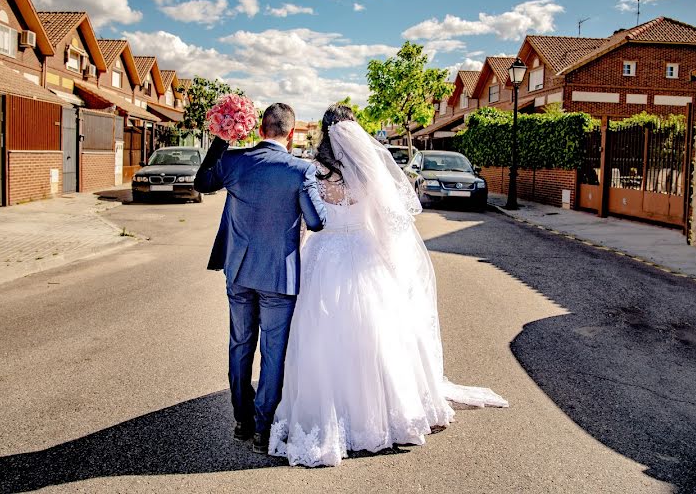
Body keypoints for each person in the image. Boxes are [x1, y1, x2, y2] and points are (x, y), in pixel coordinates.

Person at [268, 104, 508, 467]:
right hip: (363, 253)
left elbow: (305, 221)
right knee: (375, 332)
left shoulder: (311, 171)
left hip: (323, 254)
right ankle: (378, 412)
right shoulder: (367, 172)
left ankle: (328, 409)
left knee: (321, 332)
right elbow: (388, 222)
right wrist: (392, 262)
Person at [194, 102, 327, 454]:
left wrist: (221, 140)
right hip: (278, 279)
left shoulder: (235, 161)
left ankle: (242, 420)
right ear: (291, 134)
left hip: (238, 272)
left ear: (259, 129)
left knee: (240, 344)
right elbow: (316, 221)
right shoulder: (300, 170)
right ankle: (263, 429)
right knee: (272, 352)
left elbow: (202, 182)